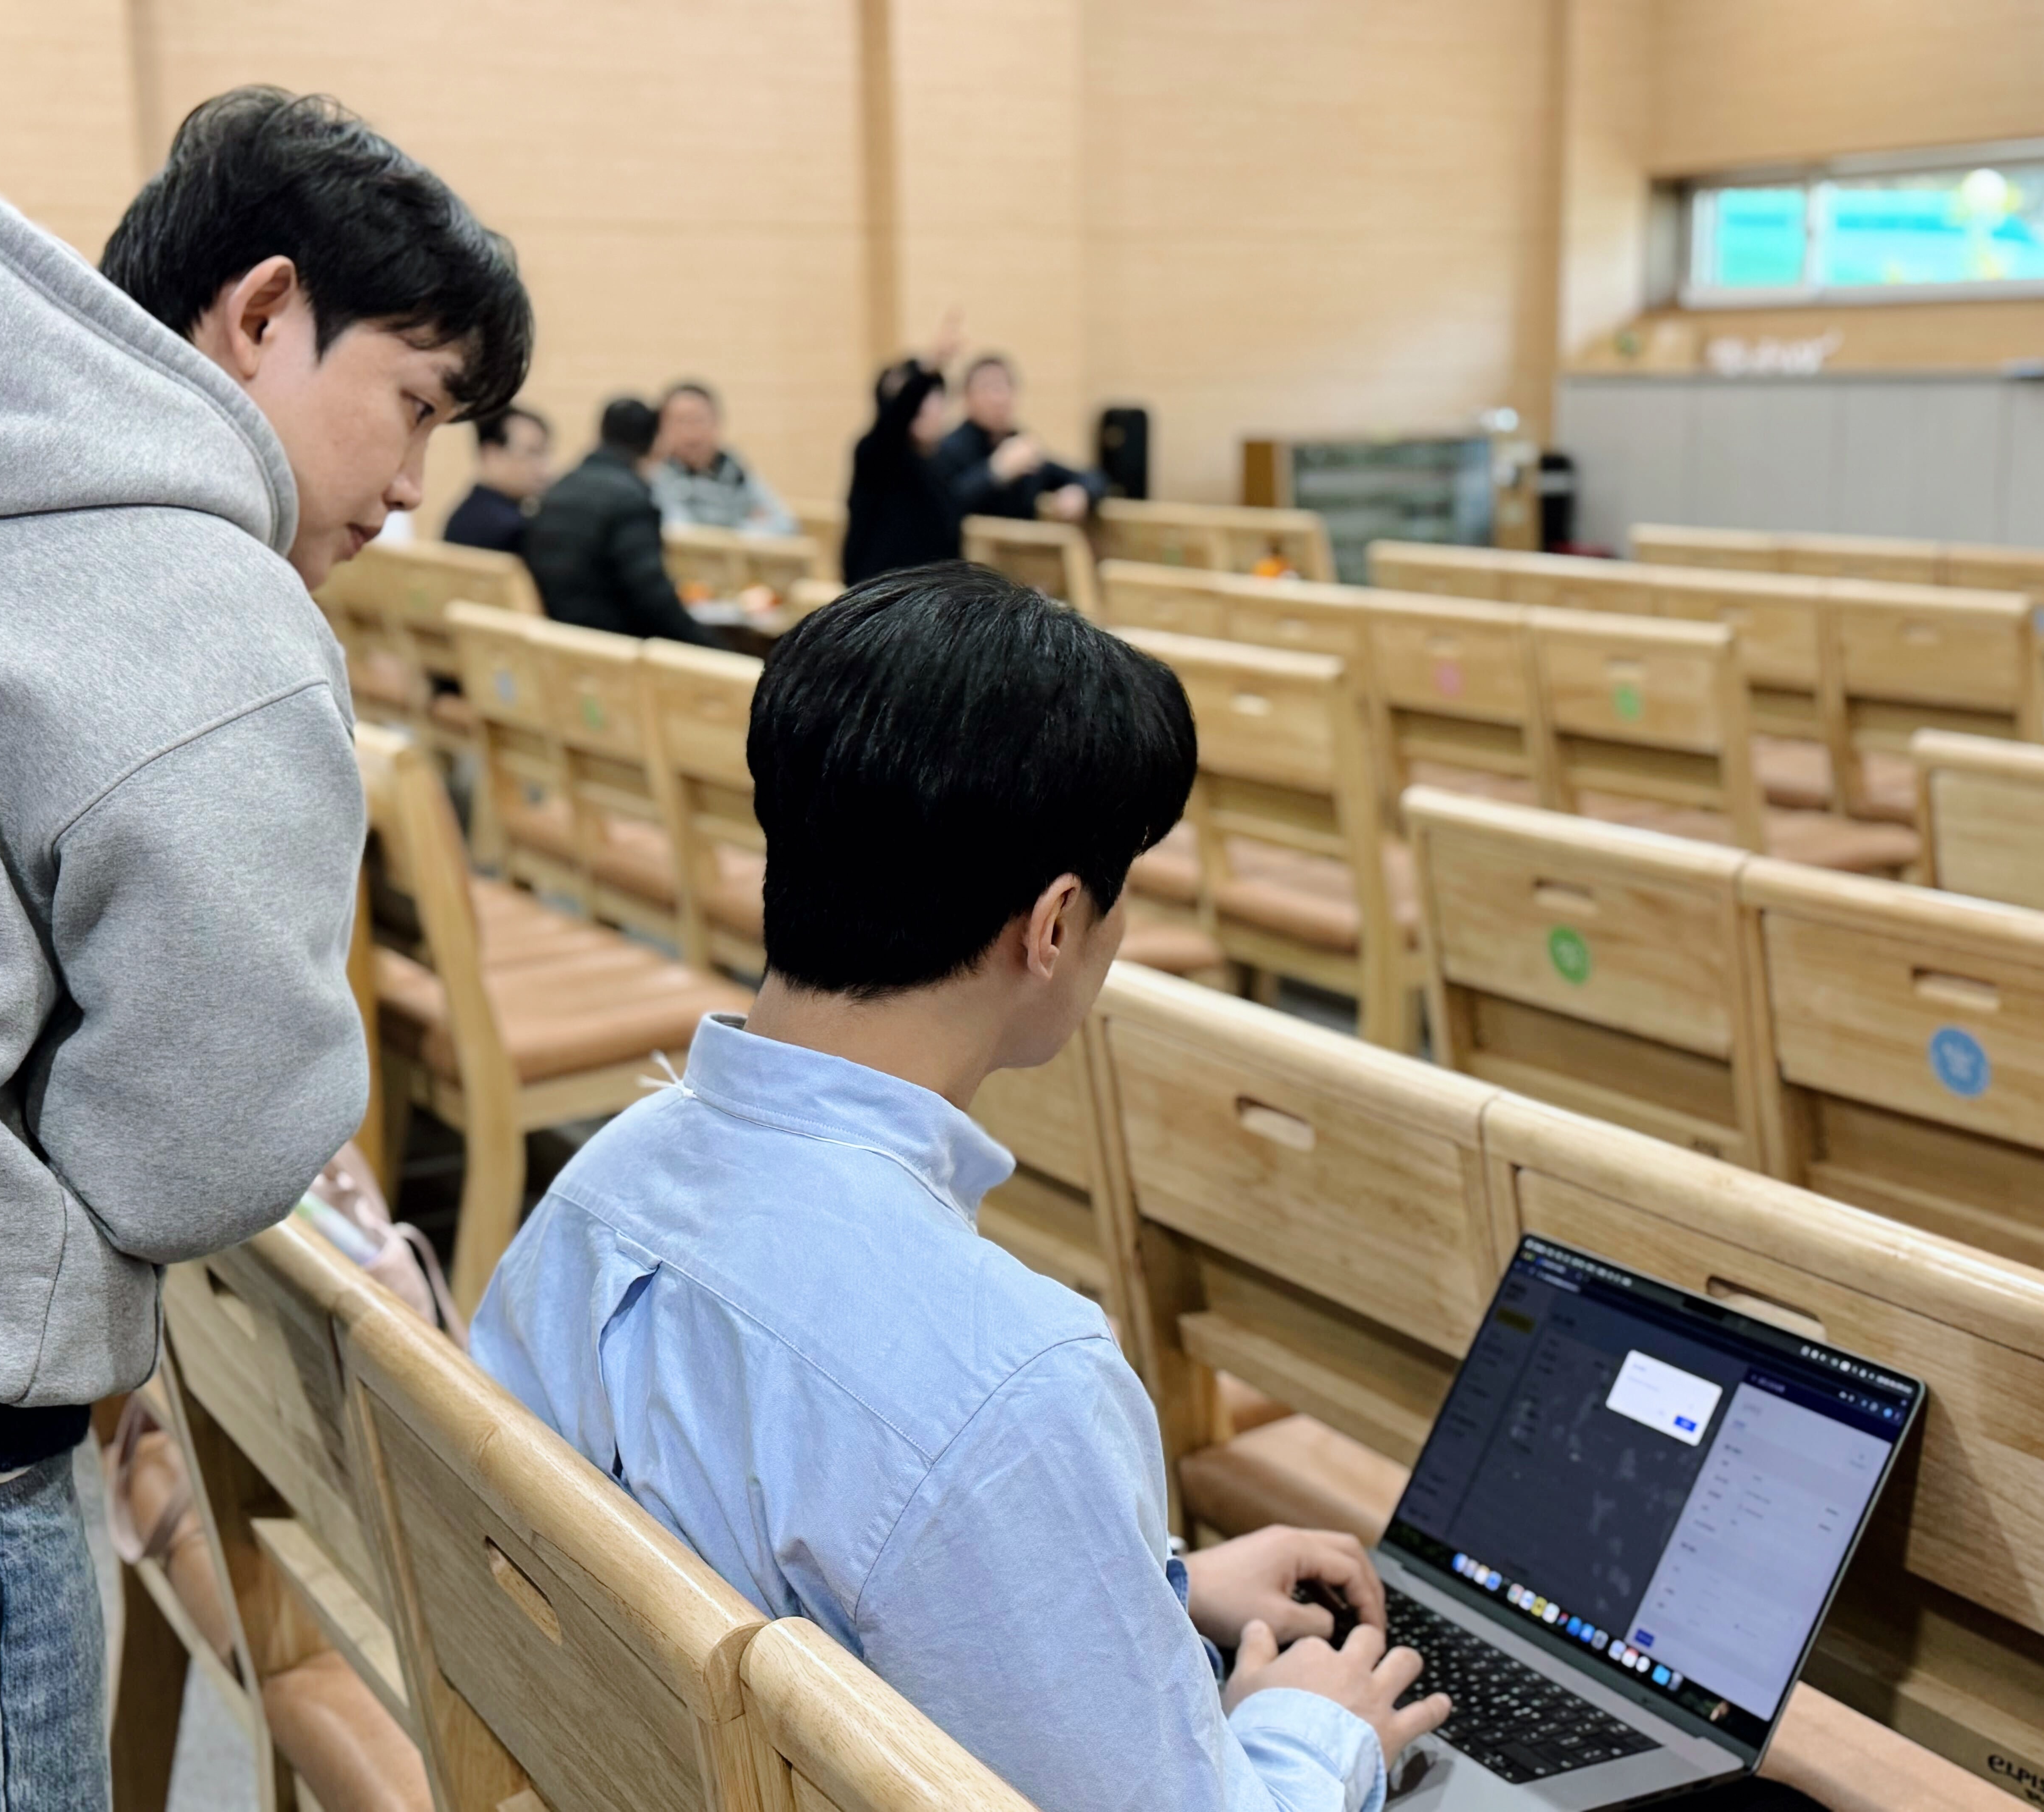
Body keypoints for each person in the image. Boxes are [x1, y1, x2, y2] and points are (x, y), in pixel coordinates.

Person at [473, 564, 1448, 1812]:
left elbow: (806, 1537)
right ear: (1051, 926)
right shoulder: (1012, 1380)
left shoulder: (606, 1179)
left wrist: (1141, 1585)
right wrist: (1314, 1734)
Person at [0, 86, 530, 1809]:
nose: (409, 485)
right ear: (261, 312)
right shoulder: (213, 614)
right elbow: (200, 1151)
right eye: (415, 403)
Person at [524, 395, 723, 645]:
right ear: (652, 443)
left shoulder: (559, 489)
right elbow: (653, 598)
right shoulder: (630, 499)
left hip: (562, 640)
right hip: (613, 647)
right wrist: (715, 648)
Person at [841, 313, 967, 583]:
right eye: (912, 400)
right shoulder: (875, 454)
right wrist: (932, 365)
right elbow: (895, 420)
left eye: (931, 399)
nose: (921, 409)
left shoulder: (941, 462)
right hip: (879, 601)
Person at [934, 352, 1105, 525]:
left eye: (1004, 387)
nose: (998, 399)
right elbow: (942, 506)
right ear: (967, 397)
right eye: (988, 388)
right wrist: (995, 472)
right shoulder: (947, 449)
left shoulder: (1021, 447)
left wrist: (1081, 493)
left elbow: (1092, 477)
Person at [648, 380, 797, 535]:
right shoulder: (656, 476)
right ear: (662, 428)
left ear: (716, 423)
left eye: (698, 420)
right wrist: (746, 523)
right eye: (681, 421)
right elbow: (679, 533)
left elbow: (785, 524)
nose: (691, 433)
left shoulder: (734, 468)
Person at [443, 403, 552, 554]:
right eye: (532, 453)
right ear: (492, 456)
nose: (544, 469)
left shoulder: (461, 516)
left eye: (544, 454)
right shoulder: (511, 530)